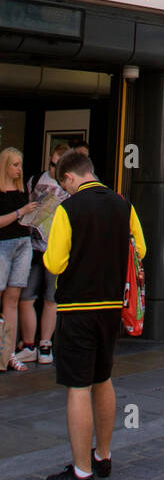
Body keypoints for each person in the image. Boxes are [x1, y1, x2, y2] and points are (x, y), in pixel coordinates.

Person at [43, 149, 146, 480]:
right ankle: (102, 455)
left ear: (70, 177)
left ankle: (81, 472)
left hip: (76, 308)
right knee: (103, 378)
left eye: (64, 184)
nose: (65, 191)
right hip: (110, 307)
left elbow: (55, 263)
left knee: (77, 386)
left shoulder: (68, 210)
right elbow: (140, 250)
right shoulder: (123, 204)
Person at [17, 143, 71, 365]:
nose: (54, 169)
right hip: (32, 245)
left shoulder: (70, 186)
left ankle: (45, 344)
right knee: (26, 296)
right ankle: (29, 343)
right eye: (52, 164)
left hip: (55, 248)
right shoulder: (35, 180)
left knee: (51, 298)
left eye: (58, 166)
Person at [0, 148, 37, 372]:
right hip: (3, 244)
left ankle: (9, 353)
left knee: (13, 299)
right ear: (4, 165)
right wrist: (20, 212)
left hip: (23, 243)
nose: (18, 169)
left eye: (20, 164)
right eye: (14, 164)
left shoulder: (22, 189)